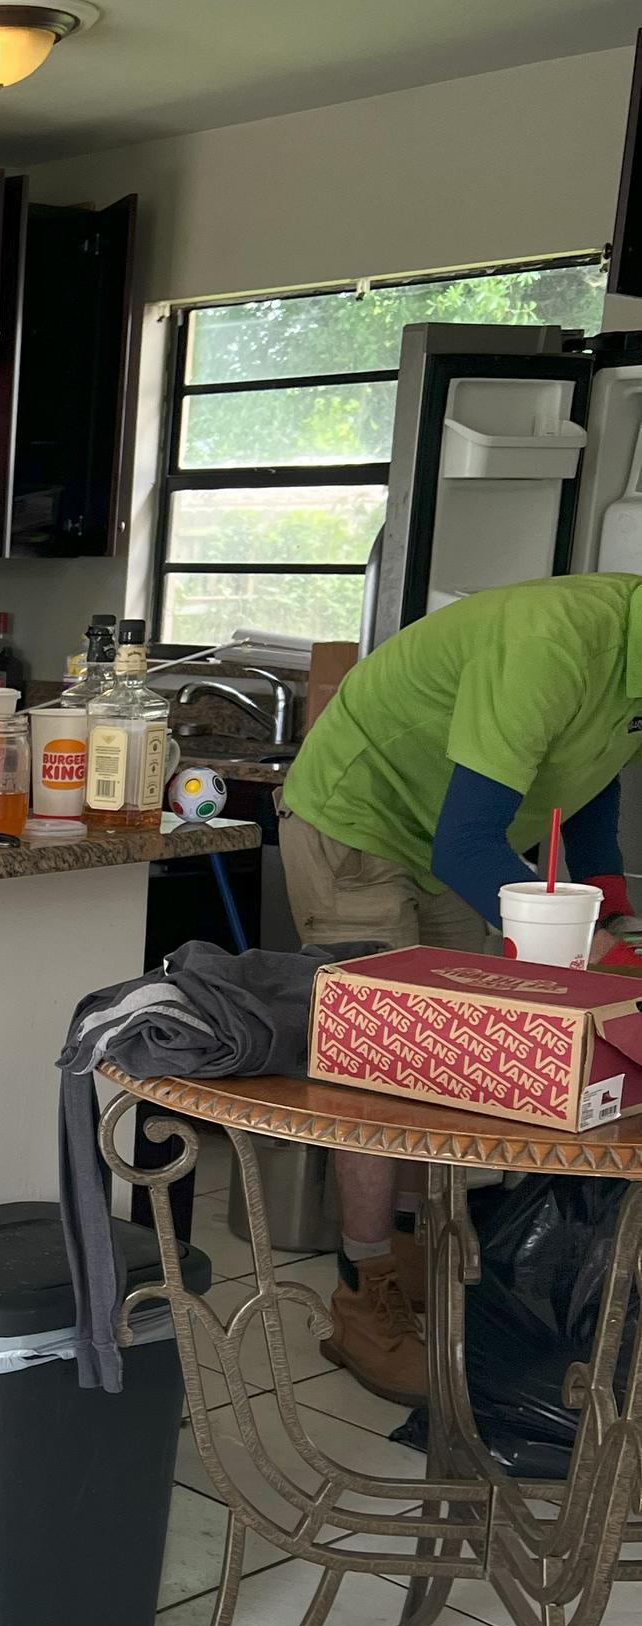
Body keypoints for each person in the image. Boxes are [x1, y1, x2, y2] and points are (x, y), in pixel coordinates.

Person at [277, 573, 642, 1403]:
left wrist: (612, 909)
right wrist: (598, 955)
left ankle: (413, 1252)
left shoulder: (632, 667)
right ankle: (362, 1292)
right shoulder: (556, 643)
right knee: (378, 1062)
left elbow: (587, 785)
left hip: (456, 833)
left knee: (448, 1056)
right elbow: (467, 846)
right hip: (360, 820)